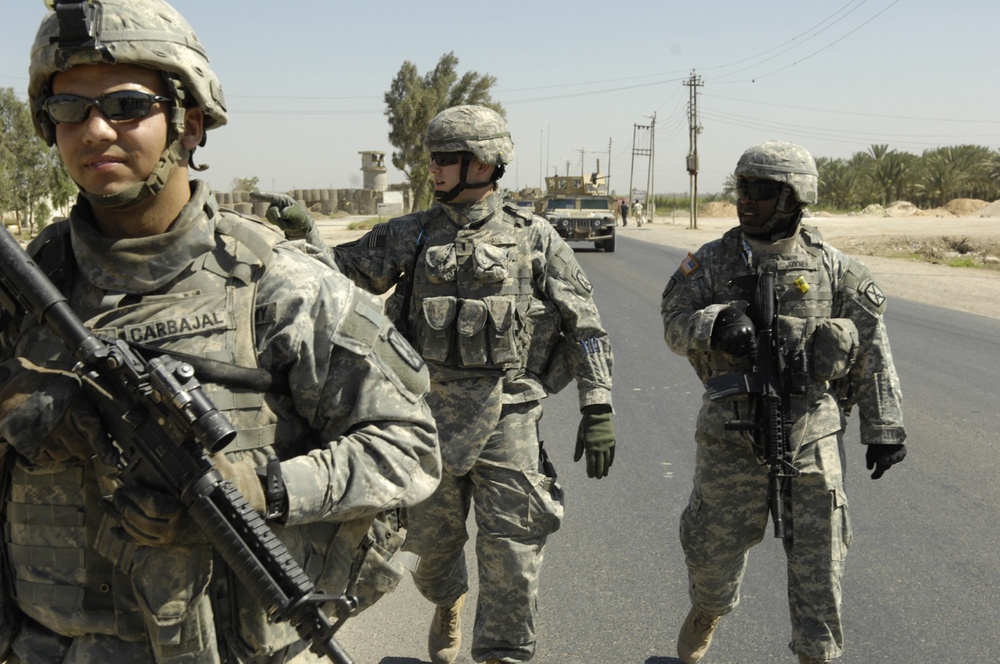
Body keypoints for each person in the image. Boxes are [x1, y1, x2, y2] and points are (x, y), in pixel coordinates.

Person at [0, 1, 440, 663]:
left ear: (190, 121)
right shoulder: (21, 289)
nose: (94, 130)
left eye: (126, 107)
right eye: (69, 109)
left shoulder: (280, 287)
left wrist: (263, 487)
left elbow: (409, 448)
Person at [331, 105, 617, 664]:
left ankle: (502, 652)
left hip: (508, 414)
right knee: (432, 550)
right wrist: (295, 244)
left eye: (446, 158)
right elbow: (338, 273)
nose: (433, 169)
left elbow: (586, 324)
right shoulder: (409, 235)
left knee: (513, 553)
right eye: (432, 158)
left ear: (483, 164)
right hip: (425, 417)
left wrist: (598, 403)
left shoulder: (535, 238)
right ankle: (448, 601)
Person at [660, 141, 907, 664]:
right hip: (730, 429)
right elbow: (673, 321)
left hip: (811, 429)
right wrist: (715, 323)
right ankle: (708, 610)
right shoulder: (713, 261)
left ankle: (816, 655)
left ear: (795, 198)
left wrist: (884, 428)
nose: (746, 201)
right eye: (742, 189)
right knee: (710, 549)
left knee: (821, 558)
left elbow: (872, 344)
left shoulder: (834, 269)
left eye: (762, 192)